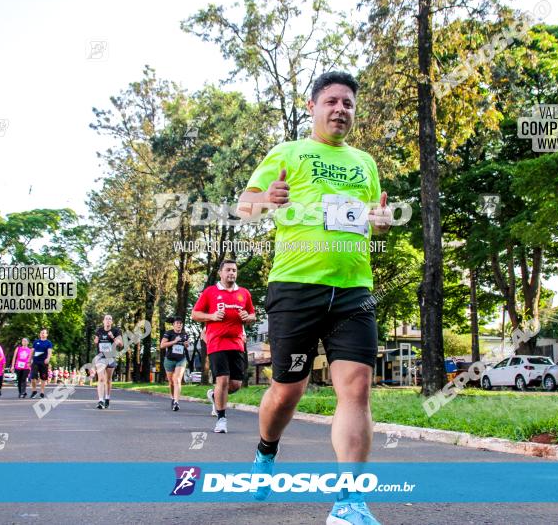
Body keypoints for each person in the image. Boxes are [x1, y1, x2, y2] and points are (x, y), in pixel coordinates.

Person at [235, 71, 391, 524]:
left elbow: (372, 221)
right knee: (288, 391)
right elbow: (245, 207)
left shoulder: (364, 161)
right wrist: (267, 198)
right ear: (313, 106)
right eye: (332, 101)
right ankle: (266, 453)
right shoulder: (287, 153)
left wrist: (380, 220)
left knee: (357, 389)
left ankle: (349, 504)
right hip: (296, 288)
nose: (341, 109)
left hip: (353, 290)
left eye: (348, 103)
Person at [192, 259, 256, 433]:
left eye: (234, 270)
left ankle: (214, 396)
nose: (232, 273)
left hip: (237, 343)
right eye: (228, 270)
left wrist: (247, 317)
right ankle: (221, 419)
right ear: (220, 273)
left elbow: (253, 315)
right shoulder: (210, 292)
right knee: (223, 380)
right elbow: (195, 314)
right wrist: (212, 316)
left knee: (235, 384)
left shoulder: (244, 293)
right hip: (217, 342)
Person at [159, 315, 189, 411]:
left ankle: (176, 402)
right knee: (171, 382)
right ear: (173, 325)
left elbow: (187, 346)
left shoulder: (185, 335)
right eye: (177, 323)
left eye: (180, 323)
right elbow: (162, 345)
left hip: (181, 359)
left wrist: (186, 344)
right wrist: (174, 341)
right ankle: (172, 398)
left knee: (177, 379)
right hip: (169, 360)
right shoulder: (169, 333)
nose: (179, 325)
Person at [93, 314, 122, 409]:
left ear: (112, 322)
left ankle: (107, 398)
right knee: (101, 378)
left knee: (108, 380)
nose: (108, 320)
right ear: (103, 321)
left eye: (110, 319)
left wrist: (113, 337)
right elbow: (96, 341)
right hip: (100, 357)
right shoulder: (99, 330)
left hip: (111, 357)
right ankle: (100, 400)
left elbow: (120, 344)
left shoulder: (116, 331)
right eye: (106, 319)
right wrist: (96, 341)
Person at [29, 328, 53, 399]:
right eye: (41, 333)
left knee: (43, 378)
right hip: (35, 361)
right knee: (33, 377)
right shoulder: (36, 342)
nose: (42, 334)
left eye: (44, 333)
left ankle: (42, 392)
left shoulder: (48, 343)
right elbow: (32, 351)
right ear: (40, 334)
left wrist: (48, 358)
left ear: (47, 334)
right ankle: (34, 391)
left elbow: (49, 351)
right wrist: (29, 360)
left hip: (43, 362)